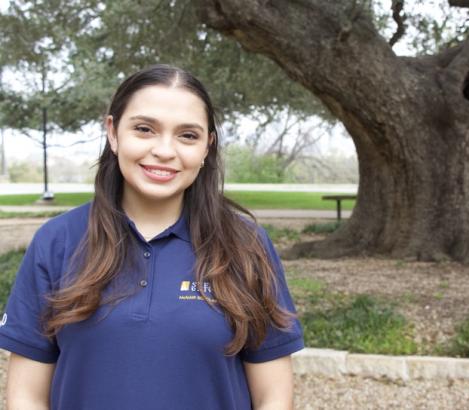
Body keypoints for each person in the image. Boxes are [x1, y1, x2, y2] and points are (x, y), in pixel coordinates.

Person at [0, 64, 304, 410]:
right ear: (113, 133)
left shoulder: (244, 244)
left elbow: (274, 396)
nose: (164, 150)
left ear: (208, 146)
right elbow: (26, 396)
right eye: (144, 129)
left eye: (187, 135)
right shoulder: (56, 242)